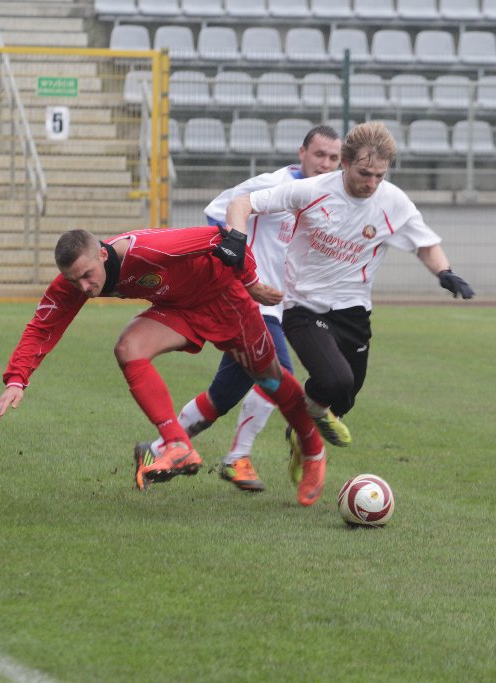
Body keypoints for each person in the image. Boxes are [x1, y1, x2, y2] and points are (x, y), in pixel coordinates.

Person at [0, 226, 328, 506]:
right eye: (74, 280)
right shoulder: (78, 279)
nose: (83, 287)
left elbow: (224, 239)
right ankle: (178, 444)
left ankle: (313, 450)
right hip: (178, 309)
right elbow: (43, 325)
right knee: (128, 348)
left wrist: (251, 281)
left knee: (269, 378)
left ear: (103, 254)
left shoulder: (147, 249)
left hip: (225, 302)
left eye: (87, 276)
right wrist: (17, 379)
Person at [223, 121, 475, 479]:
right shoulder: (310, 191)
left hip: (355, 310)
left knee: (346, 396)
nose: (371, 183)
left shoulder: (393, 202)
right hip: (304, 306)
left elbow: (425, 244)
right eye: (364, 173)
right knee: (335, 379)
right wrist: (235, 239)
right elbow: (242, 203)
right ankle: (305, 430)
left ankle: (300, 433)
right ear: (344, 162)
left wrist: (445, 272)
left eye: (379, 175)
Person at [135, 125, 343, 494]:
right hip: (245, 301)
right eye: (319, 155)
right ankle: (237, 459)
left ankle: (153, 450)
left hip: (276, 307)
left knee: (222, 396)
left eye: (333, 158)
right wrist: (239, 271)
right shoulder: (272, 184)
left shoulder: (326, 198)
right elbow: (218, 213)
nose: (325, 164)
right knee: (278, 376)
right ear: (302, 153)